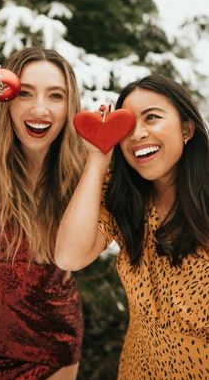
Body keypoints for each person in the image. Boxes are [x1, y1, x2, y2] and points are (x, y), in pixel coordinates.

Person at [55, 74, 209, 379]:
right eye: (126, 126)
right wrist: (98, 158)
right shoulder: (123, 200)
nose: (137, 134)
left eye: (152, 117)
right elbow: (68, 257)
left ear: (187, 128)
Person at [0, 47, 86, 379]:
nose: (40, 109)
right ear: (5, 97)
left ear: (70, 106)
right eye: (26, 93)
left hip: (51, 353)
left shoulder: (85, 173)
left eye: (55, 96)